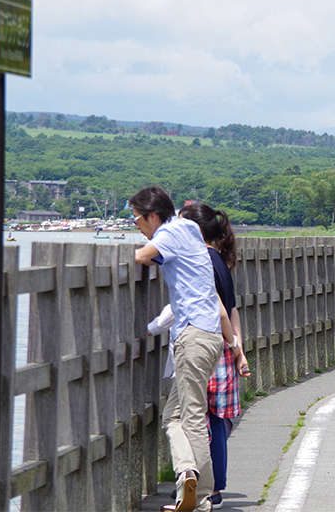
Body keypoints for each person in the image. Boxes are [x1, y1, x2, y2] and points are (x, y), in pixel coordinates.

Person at [131, 186, 240, 512]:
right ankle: (187, 476)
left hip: (192, 336)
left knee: (190, 419)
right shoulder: (189, 229)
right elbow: (162, 259)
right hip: (208, 338)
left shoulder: (171, 231)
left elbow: (139, 256)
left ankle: (202, 494)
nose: (136, 224)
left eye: (137, 218)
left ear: (153, 215)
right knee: (173, 415)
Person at [179, 203, 252, 509]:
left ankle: (210, 487)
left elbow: (220, 309)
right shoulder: (220, 260)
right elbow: (233, 308)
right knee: (217, 419)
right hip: (224, 347)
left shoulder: (200, 260)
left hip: (209, 345)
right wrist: (239, 349)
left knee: (200, 418)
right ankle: (215, 486)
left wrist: (234, 346)